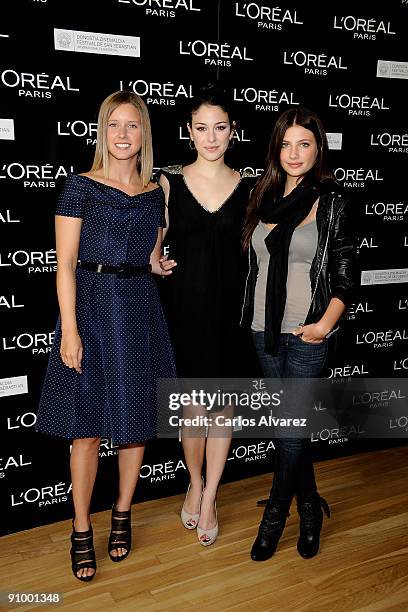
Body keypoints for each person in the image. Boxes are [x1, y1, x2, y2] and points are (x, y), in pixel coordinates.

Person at [36, 90, 175, 581]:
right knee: (87, 429)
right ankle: (80, 528)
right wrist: (69, 331)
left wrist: (158, 264)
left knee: (137, 425)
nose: (122, 134)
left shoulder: (159, 191)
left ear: (144, 134)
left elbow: (152, 254)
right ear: (102, 130)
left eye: (132, 125)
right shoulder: (80, 187)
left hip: (139, 308)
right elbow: (65, 266)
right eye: (114, 124)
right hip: (92, 310)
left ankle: (122, 512)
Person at [240, 107, 354, 561]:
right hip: (262, 331)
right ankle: (309, 507)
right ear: (276, 149)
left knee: (289, 430)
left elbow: (346, 273)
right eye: (285, 143)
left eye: (303, 143)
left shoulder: (331, 202)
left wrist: (326, 324)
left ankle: (274, 518)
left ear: (318, 149)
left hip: (307, 333)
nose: (294, 153)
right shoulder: (261, 195)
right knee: (292, 430)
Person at [158, 84, 255, 546]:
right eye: (202, 128)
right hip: (184, 314)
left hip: (232, 315)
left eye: (220, 127)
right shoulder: (168, 182)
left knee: (222, 411)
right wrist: (154, 259)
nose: (211, 137)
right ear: (189, 131)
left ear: (233, 131)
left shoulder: (252, 189)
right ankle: (194, 482)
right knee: (192, 413)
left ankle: (211, 494)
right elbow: (154, 247)